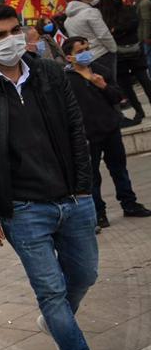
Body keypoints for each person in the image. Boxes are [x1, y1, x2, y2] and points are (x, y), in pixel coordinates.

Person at [0, 4, 109, 350]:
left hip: (73, 200)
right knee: (52, 291)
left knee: (86, 275)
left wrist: (84, 187)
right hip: (23, 210)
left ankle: (55, 323)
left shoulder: (51, 74)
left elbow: (77, 132)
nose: (10, 40)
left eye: (14, 31)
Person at [62, 36, 151, 227]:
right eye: (80, 51)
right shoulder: (65, 80)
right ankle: (99, 212)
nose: (86, 53)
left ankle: (130, 203)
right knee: (93, 175)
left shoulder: (100, 71)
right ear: (69, 58)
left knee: (119, 169)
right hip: (88, 135)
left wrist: (103, 86)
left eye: (87, 48)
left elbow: (118, 97)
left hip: (110, 128)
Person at [99, 0, 148, 125]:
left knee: (144, 79)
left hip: (134, 50)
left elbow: (133, 24)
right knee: (126, 86)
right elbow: (107, 32)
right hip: (118, 55)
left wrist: (118, 30)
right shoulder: (104, 16)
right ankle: (139, 111)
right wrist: (119, 30)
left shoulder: (128, 9)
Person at [64, 0, 118, 83]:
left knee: (98, 86)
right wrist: (113, 49)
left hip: (85, 58)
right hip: (102, 53)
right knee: (111, 84)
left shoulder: (67, 20)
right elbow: (103, 34)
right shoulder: (90, 12)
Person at [131, 0, 151, 79]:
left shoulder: (144, 4)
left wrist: (147, 36)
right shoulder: (141, 4)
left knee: (149, 59)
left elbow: (146, 21)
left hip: (146, 36)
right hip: (144, 36)